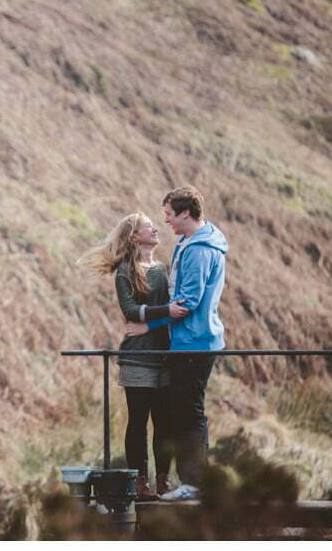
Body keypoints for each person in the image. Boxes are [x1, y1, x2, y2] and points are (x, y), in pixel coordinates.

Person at [126, 186, 229, 501]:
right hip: (192, 341)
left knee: (188, 413)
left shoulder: (198, 250)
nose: (165, 221)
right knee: (185, 410)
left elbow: (187, 303)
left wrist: (148, 323)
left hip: (194, 343)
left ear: (186, 213)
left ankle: (194, 483)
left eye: (169, 214)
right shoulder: (194, 241)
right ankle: (194, 480)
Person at [80, 213, 189, 501]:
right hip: (137, 358)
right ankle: (140, 483)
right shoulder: (126, 271)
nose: (155, 228)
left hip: (164, 356)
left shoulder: (163, 267)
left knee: (164, 422)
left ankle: (163, 481)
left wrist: (160, 316)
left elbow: (173, 309)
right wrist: (165, 311)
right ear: (134, 236)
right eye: (148, 226)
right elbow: (130, 311)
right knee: (138, 422)